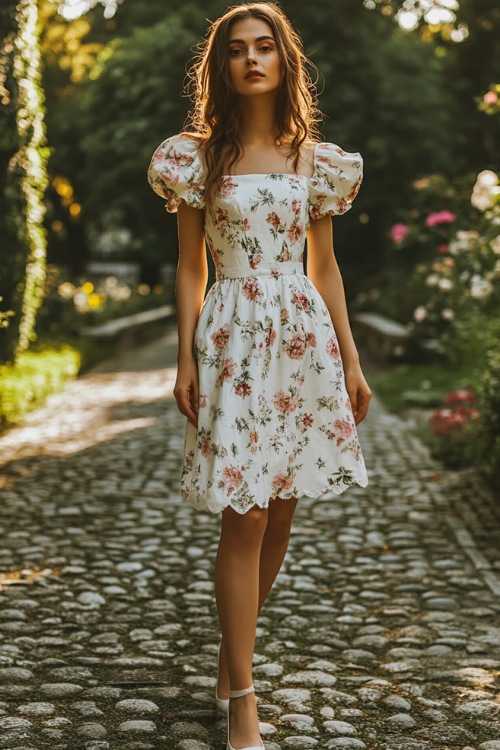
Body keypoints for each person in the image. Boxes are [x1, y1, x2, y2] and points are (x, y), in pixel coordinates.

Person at [147, 3, 372, 748]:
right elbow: (189, 266)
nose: (251, 59)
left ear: (283, 61)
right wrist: (184, 355)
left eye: (264, 47)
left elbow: (326, 265)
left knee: (279, 512)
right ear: (221, 66)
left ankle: (230, 646)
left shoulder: (315, 158)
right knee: (242, 513)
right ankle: (243, 694)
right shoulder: (194, 156)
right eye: (237, 49)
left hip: (301, 337)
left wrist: (352, 357)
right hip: (232, 337)